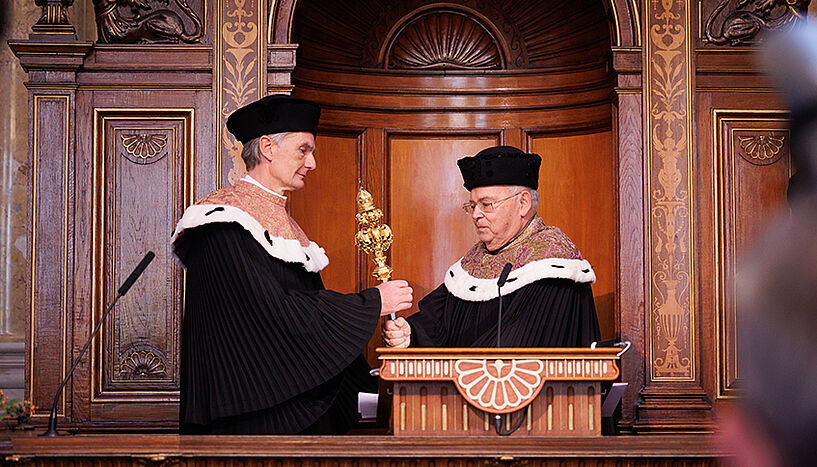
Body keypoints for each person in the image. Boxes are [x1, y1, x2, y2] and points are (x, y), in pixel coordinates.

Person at [171, 95, 413, 434]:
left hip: (285, 401)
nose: (312, 163)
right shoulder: (222, 222)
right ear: (268, 148)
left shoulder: (283, 224)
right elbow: (272, 315)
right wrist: (373, 303)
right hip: (252, 413)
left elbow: (305, 313)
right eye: (304, 150)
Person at [383, 145, 600, 349]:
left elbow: (522, 345)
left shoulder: (554, 265)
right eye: (473, 206)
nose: (476, 214)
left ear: (523, 203)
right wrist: (409, 332)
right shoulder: (475, 261)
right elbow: (438, 322)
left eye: (486, 205)